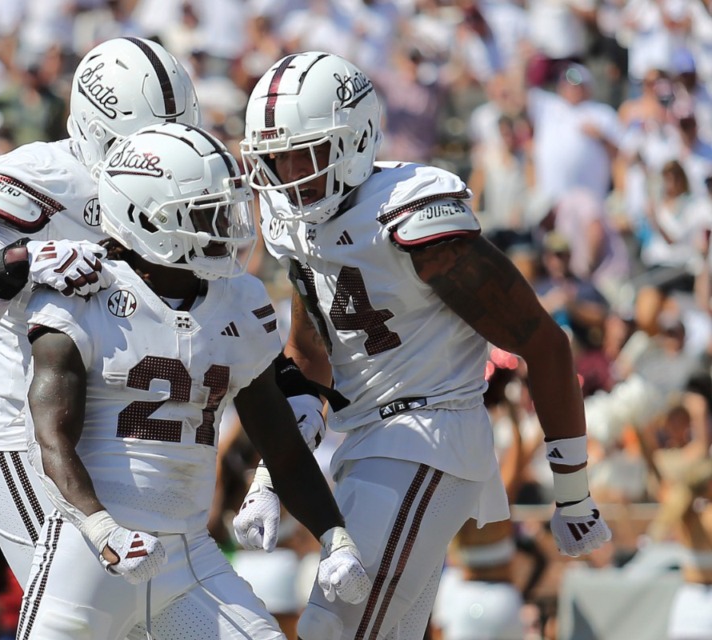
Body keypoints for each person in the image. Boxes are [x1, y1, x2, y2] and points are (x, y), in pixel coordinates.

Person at [239, 51, 612, 640]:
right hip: (367, 441)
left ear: (355, 139)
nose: (287, 172)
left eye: (302, 152)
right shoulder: (294, 224)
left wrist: (573, 493)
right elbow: (309, 360)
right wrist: (268, 477)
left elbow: (545, 342)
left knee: (331, 630)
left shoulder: (411, 216)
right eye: (274, 156)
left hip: (429, 434)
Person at [17, 122, 371, 639]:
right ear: (142, 216)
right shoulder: (84, 291)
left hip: (188, 553)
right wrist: (101, 528)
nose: (222, 223)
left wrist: (335, 537)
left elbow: (283, 446)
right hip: (89, 553)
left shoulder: (240, 303)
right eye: (201, 210)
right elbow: (50, 438)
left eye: (222, 207)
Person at [0, 36, 201, 587]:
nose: (162, 160)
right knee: (76, 614)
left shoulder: (187, 178)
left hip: (134, 445)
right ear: (96, 130)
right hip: (30, 445)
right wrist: (17, 264)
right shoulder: (42, 179)